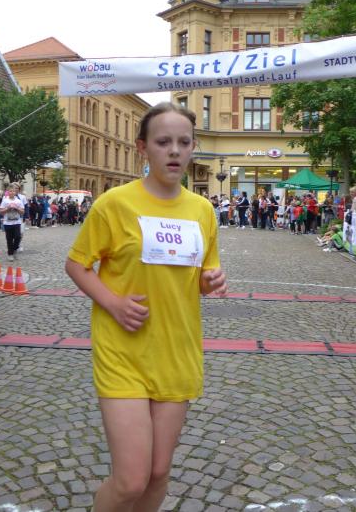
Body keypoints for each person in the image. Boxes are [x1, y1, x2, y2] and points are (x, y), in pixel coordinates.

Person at [64, 103, 227, 512]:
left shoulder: (202, 210)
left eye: (184, 142)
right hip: (124, 350)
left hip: (176, 350)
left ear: (193, 148)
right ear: (143, 148)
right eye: (163, 141)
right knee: (131, 480)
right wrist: (113, 302)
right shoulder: (114, 204)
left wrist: (211, 281)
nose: (174, 151)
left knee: (158, 472)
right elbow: (77, 265)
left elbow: (203, 275)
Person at [0, 189, 24, 261]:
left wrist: (17, 208)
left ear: (15, 192)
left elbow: (22, 212)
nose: (12, 192)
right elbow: (1, 212)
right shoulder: (5, 201)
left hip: (17, 222)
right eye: (10, 191)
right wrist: (8, 208)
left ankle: (14, 249)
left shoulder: (18, 201)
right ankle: (10, 254)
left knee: (18, 237)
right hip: (7, 223)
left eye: (13, 191)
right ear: (8, 192)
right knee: (9, 239)